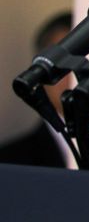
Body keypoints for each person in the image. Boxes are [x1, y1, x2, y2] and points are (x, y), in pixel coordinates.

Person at [0, 12, 73, 168]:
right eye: (62, 62)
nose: (73, 74)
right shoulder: (10, 163)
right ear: (39, 72)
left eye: (84, 59)